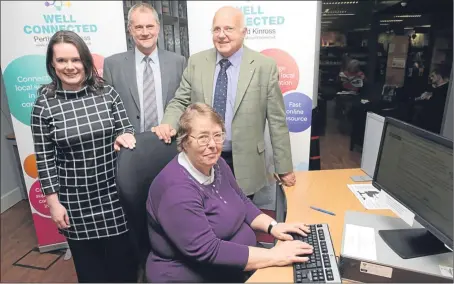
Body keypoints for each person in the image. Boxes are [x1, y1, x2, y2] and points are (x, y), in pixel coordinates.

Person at [146, 103, 313, 283]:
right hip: (193, 275)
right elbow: (209, 251)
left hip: (234, 267)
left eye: (217, 136)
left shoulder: (216, 164)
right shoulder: (176, 191)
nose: (212, 145)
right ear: (185, 142)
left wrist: (273, 227)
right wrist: (274, 256)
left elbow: (242, 201)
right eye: (203, 137)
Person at [152, 6, 295, 199]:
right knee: (204, 214)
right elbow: (180, 100)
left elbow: (277, 121)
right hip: (202, 156)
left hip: (245, 162)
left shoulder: (264, 66)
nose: (221, 35)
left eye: (229, 29)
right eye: (216, 29)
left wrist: (284, 167)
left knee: (243, 218)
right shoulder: (196, 62)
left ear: (244, 32)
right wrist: (168, 122)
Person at [30, 30, 137, 283]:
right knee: (91, 273)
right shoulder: (44, 105)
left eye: (75, 60)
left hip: (114, 197)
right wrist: (54, 204)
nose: (70, 67)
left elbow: (126, 128)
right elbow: (44, 160)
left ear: (86, 62)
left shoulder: (107, 94)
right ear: (52, 64)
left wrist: (125, 135)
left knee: (124, 268)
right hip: (75, 203)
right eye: (62, 61)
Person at [103, 3, 186, 133]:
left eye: (150, 26)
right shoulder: (112, 65)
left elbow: (184, 103)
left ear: (158, 28)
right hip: (130, 143)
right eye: (139, 27)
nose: (145, 32)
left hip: (170, 140)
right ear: (130, 29)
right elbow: (107, 109)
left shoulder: (178, 62)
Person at [413, 67, 451, 134]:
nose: (431, 78)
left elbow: (438, 104)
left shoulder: (445, 90)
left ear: (439, 76)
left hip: (434, 123)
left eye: (433, 76)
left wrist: (430, 97)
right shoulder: (434, 87)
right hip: (424, 121)